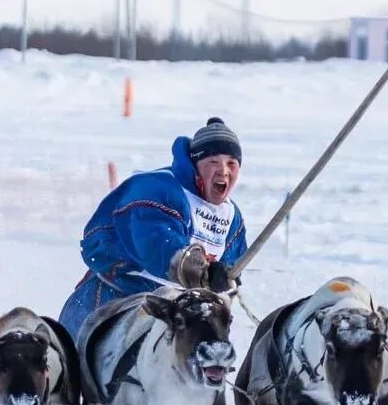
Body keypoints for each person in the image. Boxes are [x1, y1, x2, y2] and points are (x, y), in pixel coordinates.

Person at [58, 117, 248, 336]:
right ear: (196, 165)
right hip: (117, 296)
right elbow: (157, 243)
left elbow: (230, 263)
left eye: (232, 163)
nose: (223, 170)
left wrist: (226, 278)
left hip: (179, 314)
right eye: (214, 162)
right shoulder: (159, 188)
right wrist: (202, 272)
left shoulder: (231, 217)